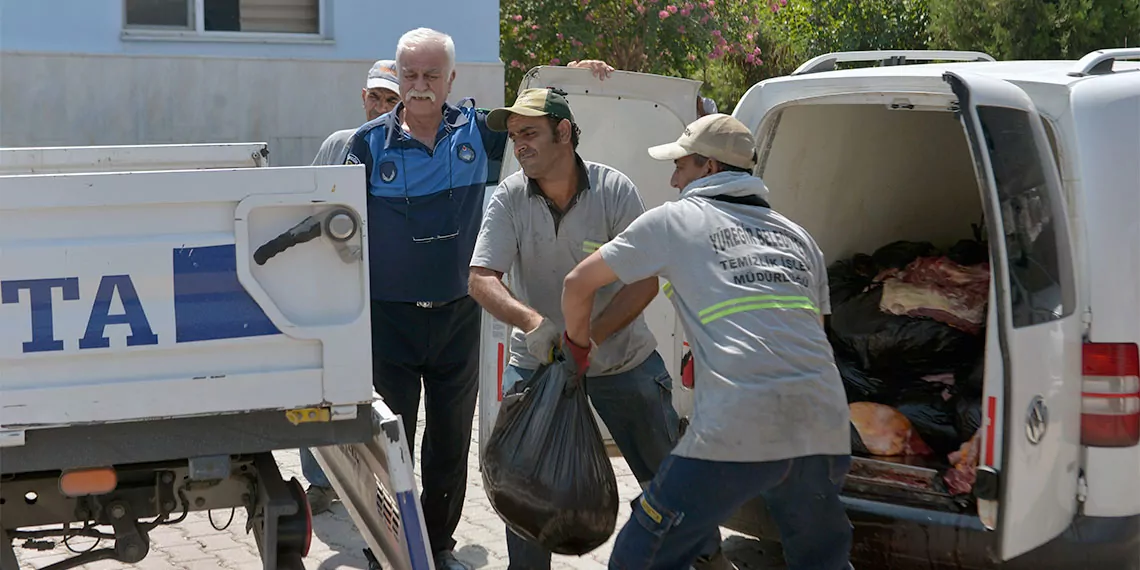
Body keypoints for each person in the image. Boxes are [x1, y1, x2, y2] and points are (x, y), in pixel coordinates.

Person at [341, 27, 613, 570]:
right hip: (387, 321)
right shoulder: (365, 145)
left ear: (451, 79)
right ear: (399, 76)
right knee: (385, 445)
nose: (420, 86)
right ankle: (386, 549)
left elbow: (537, 119)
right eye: (410, 75)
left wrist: (573, 74)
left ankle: (437, 547)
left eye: (431, 76)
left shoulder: (478, 133)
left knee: (447, 443)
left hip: (457, 319)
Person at [561, 113, 854, 570]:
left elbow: (578, 284)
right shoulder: (800, 238)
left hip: (739, 424)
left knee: (641, 555)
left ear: (709, 169)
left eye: (681, 166)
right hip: (824, 424)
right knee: (821, 561)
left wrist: (578, 352)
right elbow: (810, 337)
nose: (674, 179)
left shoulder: (677, 220)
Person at [467, 88, 734, 570]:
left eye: (529, 133)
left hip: (623, 360)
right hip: (540, 363)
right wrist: (533, 323)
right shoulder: (509, 197)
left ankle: (707, 559)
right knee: (525, 484)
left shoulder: (613, 190)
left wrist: (589, 337)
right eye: (513, 136)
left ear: (563, 132)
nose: (519, 145)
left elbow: (643, 285)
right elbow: (481, 279)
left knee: (668, 479)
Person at [297, 58, 402, 515]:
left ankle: (382, 479)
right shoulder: (339, 145)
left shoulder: (411, 149)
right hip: (335, 289)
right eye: (375, 97)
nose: (380, 106)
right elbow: (312, 207)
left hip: (386, 291)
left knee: (377, 390)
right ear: (363, 98)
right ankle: (321, 482)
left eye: (390, 99)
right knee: (319, 383)